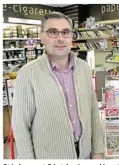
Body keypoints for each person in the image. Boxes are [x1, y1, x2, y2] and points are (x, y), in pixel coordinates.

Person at [12, 12, 104, 159]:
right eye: (52, 32)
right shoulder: (28, 73)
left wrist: (98, 150)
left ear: (72, 36)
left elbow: (93, 113)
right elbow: (21, 127)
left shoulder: (84, 68)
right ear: (42, 37)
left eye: (66, 32)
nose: (60, 38)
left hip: (85, 155)